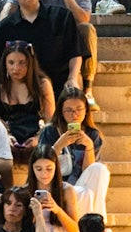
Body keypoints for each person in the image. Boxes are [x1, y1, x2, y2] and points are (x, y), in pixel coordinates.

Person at [0, 0, 85, 96]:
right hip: (22, 91)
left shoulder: (62, 17)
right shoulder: (5, 27)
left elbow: (76, 52)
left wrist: (72, 78)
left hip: (60, 85)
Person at [39, 87, 109, 219]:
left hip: (81, 185)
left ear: (86, 111)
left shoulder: (92, 135)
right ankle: (96, 224)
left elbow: (91, 173)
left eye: (79, 110)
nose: (74, 114)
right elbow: (40, 164)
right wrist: (59, 145)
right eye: (69, 110)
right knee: (87, 194)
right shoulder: (50, 132)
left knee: (100, 169)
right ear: (61, 112)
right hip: (58, 186)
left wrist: (88, 147)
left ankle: (97, 222)